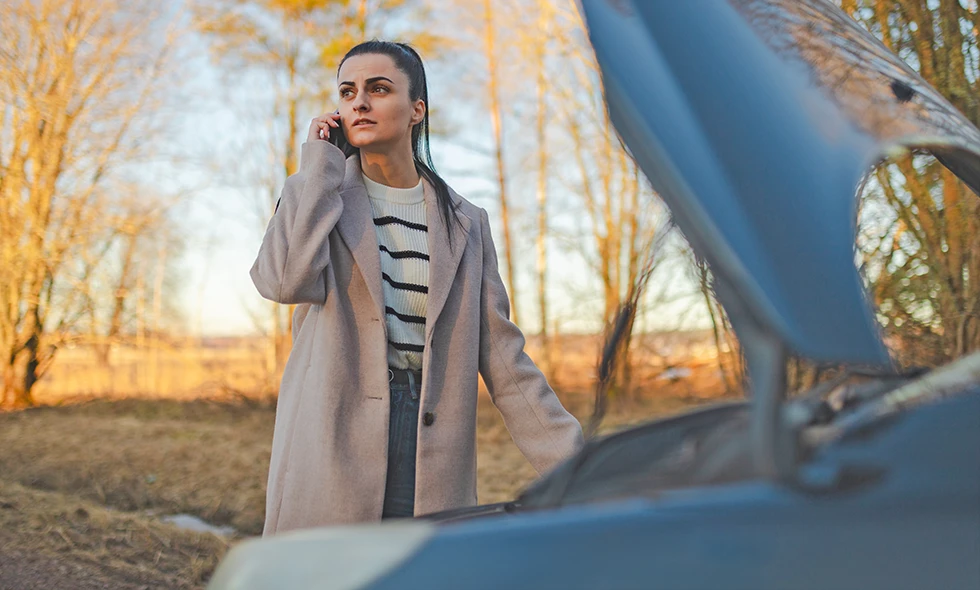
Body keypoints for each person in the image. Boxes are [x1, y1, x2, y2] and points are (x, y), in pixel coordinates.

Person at [251, 40, 583, 536]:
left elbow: (506, 363)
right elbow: (281, 281)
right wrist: (319, 164)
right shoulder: (319, 198)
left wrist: (582, 468)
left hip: (431, 448)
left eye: (378, 89)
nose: (359, 102)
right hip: (333, 437)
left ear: (416, 110)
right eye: (347, 91)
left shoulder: (466, 223)